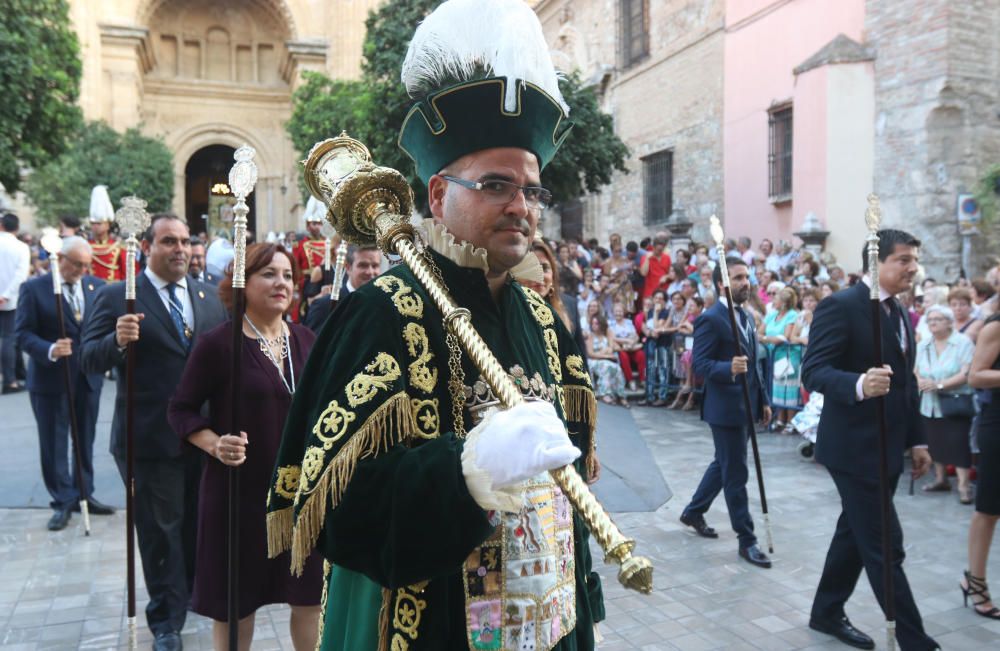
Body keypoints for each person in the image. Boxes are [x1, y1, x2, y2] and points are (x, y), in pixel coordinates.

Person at [265, 1, 604, 648]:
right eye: (497, 184)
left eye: (532, 190)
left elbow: (571, 471)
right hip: (435, 620)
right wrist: (464, 472)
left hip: (545, 613)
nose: (520, 206)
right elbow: (336, 512)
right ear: (438, 194)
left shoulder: (542, 314)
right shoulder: (381, 311)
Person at [81, 213, 227, 651]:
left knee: (197, 525)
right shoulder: (119, 296)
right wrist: (118, 342)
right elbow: (89, 358)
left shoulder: (207, 297)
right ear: (148, 247)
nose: (180, 249)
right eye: (168, 241)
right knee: (160, 530)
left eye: (185, 241)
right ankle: (165, 620)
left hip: (201, 436)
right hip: (149, 439)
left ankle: (188, 595)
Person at [168, 243, 322, 650]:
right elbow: (180, 409)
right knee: (237, 607)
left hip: (298, 497)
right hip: (237, 497)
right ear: (243, 282)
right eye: (269, 274)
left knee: (309, 600)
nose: (281, 283)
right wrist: (215, 444)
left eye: (288, 275)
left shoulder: (307, 341)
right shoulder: (218, 344)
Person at [801, 229, 938, 651]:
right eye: (902, 260)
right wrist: (858, 383)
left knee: (855, 534)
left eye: (914, 260)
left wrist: (918, 441)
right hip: (853, 450)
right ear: (875, 263)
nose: (912, 268)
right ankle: (916, 642)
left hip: (889, 448)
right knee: (885, 545)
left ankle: (826, 611)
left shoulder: (899, 312)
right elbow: (814, 370)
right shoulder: (839, 307)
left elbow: (906, 387)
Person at [679, 256, 772, 568]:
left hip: (747, 404)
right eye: (739, 277)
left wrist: (765, 401)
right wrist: (727, 368)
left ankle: (694, 510)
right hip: (725, 409)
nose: (746, 282)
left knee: (724, 464)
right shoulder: (711, 318)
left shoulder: (744, 315)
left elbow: (753, 361)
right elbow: (700, 363)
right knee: (736, 473)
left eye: (747, 277)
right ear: (723, 283)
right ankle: (747, 540)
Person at [15, 236, 112, 530]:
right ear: (61, 259)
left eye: (87, 264)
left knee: (85, 439)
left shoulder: (97, 287)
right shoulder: (34, 289)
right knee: (54, 443)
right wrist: (49, 349)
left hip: (87, 377)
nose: (83, 270)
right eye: (77, 264)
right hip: (51, 380)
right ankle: (63, 499)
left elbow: (100, 328)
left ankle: (85, 492)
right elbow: (22, 334)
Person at [914, 304, 975, 503]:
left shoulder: (963, 342)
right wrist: (921, 381)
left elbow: (966, 372)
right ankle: (941, 479)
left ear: (949, 322)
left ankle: (963, 486)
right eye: (930, 320)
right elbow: (915, 369)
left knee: (958, 444)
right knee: (934, 442)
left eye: (938, 319)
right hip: (929, 403)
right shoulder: (923, 345)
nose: (933, 323)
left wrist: (939, 385)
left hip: (954, 401)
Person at [964, 311, 1000, 619]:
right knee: (989, 508)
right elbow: (976, 374)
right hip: (998, 425)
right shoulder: (996, 326)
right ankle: (975, 581)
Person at [302, 245, 383, 332]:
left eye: (375, 266)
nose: (370, 272)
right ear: (348, 268)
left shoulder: (384, 304)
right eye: (363, 265)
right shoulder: (325, 306)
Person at [761, 286, 800, 431]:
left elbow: (785, 337)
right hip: (775, 356)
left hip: (789, 356)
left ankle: (790, 421)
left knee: (788, 387)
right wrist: (769, 338)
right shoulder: (772, 314)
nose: (772, 301)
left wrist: (766, 338)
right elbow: (759, 332)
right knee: (777, 388)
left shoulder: (792, 315)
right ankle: (780, 419)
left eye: (775, 298)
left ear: (783, 302)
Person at [0, 213, 30, 393]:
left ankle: (18, 374)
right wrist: (6, 294)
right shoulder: (21, 247)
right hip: (12, 298)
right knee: (10, 338)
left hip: (7, 297)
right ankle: (10, 380)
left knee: (10, 338)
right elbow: (21, 275)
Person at [86, 185, 129, 282]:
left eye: (99, 223)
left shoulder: (119, 247)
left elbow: (127, 273)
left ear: (108, 225)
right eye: (93, 224)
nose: (95, 226)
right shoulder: (85, 246)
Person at [586, 312, 628, 407]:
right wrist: (605, 355)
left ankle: (621, 395)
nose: (594, 325)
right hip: (594, 360)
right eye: (592, 323)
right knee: (606, 366)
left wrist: (607, 353)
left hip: (605, 359)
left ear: (601, 324)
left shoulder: (607, 334)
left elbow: (611, 348)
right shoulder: (591, 336)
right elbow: (590, 353)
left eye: (596, 323)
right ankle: (604, 394)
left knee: (617, 368)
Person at [638, 290, 670, 406]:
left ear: (665, 301)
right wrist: (650, 332)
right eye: (656, 298)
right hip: (651, 344)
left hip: (662, 344)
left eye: (660, 298)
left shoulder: (665, 313)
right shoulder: (650, 312)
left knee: (663, 370)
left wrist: (656, 313)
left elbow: (657, 328)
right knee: (650, 370)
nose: (658, 300)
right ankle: (649, 396)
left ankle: (662, 396)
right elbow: (647, 329)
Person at [609, 302, 644, 391]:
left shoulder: (628, 322)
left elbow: (636, 335)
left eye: (620, 311)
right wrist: (627, 341)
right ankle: (630, 380)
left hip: (631, 346)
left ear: (624, 312)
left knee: (640, 354)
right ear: (613, 312)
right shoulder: (611, 323)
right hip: (620, 347)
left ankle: (642, 379)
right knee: (623, 356)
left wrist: (632, 342)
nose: (618, 313)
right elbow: (613, 338)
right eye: (616, 311)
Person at [639, 234, 671, 299]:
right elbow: (643, 273)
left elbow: (670, 273)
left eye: (661, 250)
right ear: (653, 247)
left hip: (664, 291)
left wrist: (666, 276)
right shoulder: (645, 257)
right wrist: (647, 259)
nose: (659, 252)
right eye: (658, 250)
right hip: (650, 291)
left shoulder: (667, 257)